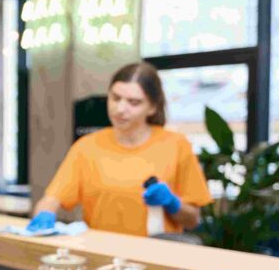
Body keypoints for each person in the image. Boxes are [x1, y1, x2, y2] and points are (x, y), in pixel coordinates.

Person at [28, 62, 211, 237]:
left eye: (134, 102)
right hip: (101, 256)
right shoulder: (87, 147)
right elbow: (51, 199)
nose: (120, 109)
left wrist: (172, 203)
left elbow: (192, 220)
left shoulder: (176, 145)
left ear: (152, 107)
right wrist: (43, 215)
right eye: (115, 98)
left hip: (156, 258)